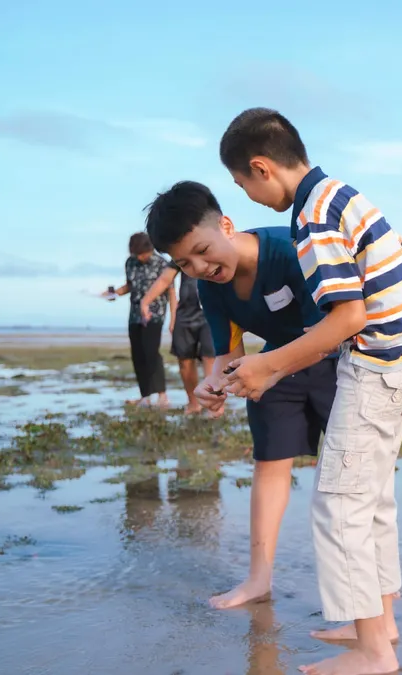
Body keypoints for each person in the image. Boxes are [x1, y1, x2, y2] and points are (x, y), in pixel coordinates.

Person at [215, 107, 402, 675]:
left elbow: (347, 319)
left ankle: (373, 653)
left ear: (261, 168)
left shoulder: (310, 218)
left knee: (340, 503)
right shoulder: (342, 194)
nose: (249, 197)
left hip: (375, 366)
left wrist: (268, 367)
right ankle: (379, 623)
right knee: (371, 498)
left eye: (242, 185)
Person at [144, 180, 338, 611]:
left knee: (349, 477)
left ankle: (374, 579)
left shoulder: (289, 252)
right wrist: (213, 384)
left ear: (226, 225)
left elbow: (322, 338)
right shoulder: (212, 288)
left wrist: (266, 371)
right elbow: (230, 356)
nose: (199, 267)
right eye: (184, 263)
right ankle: (258, 579)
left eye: (203, 250)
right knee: (268, 465)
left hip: (333, 359)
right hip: (275, 368)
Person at [104, 232, 171, 408]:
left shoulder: (161, 263)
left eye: (142, 254)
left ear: (150, 250)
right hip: (134, 314)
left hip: (155, 313)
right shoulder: (130, 262)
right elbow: (129, 285)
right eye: (136, 254)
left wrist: (174, 317)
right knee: (138, 355)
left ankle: (162, 396)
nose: (140, 258)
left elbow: (170, 289)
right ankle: (145, 396)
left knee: (151, 353)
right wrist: (113, 293)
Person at [140, 265, 217, 414]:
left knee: (210, 357)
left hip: (211, 309)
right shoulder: (181, 250)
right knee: (184, 359)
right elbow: (164, 279)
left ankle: (214, 404)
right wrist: (146, 301)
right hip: (185, 312)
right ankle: (193, 403)